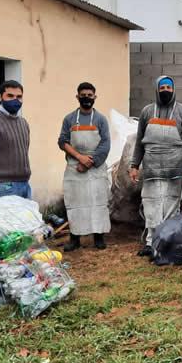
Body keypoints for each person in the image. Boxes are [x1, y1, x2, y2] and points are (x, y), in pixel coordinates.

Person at [129, 76, 182, 257]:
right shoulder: (146, 112)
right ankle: (151, 243)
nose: (165, 90)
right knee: (151, 206)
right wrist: (134, 164)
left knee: (170, 206)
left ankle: (167, 242)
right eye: (162, 87)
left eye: (169, 87)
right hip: (151, 168)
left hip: (174, 169)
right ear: (156, 90)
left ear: (174, 89)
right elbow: (139, 143)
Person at [58, 82, 111, 251]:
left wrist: (91, 162)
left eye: (90, 95)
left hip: (95, 167)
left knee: (98, 202)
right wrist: (79, 158)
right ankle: (75, 238)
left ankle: (99, 237)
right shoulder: (69, 119)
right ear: (77, 97)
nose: (86, 98)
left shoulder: (101, 119)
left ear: (95, 97)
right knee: (75, 202)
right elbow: (62, 141)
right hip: (75, 166)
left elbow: (105, 144)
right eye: (83, 95)